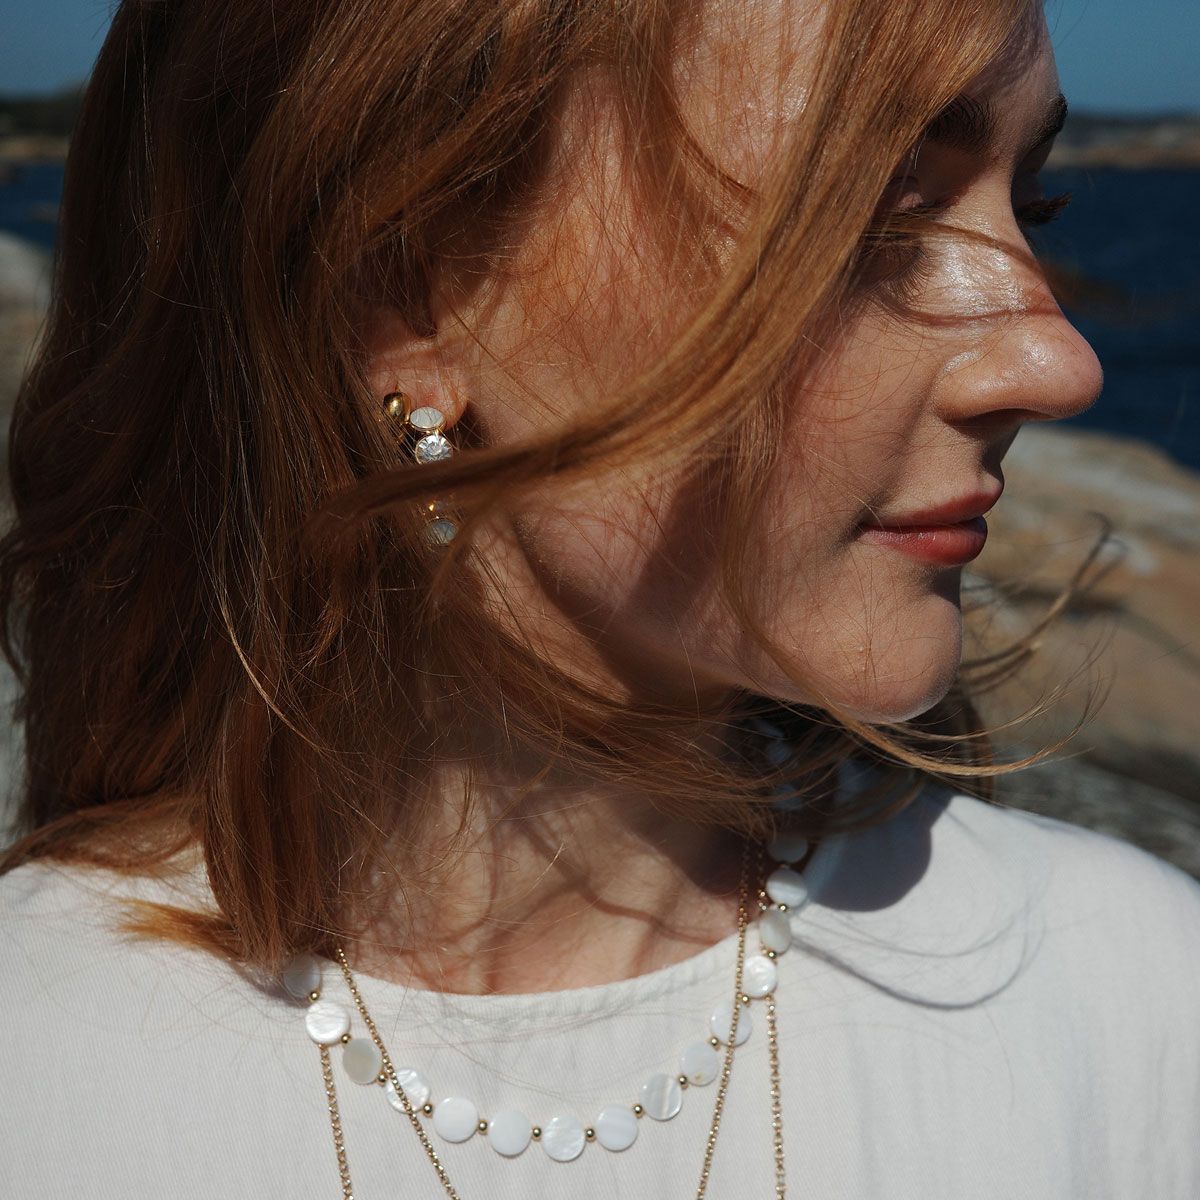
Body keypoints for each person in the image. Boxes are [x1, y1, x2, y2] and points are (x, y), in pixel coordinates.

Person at [2, 0, 1197, 1196]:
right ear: (406, 297)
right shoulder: (46, 1075)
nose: (1059, 364)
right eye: (869, 212)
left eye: (1031, 206)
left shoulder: (1121, 1004)